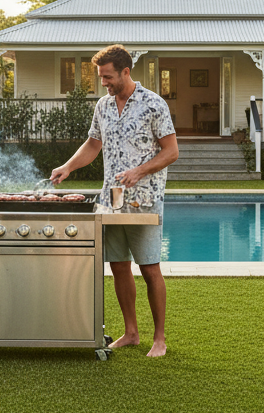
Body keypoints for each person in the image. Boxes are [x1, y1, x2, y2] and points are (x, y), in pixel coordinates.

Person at [50, 44, 178, 357]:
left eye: (108, 77)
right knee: (118, 266)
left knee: (149, 269)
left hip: (143, 200)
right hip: (110, 199)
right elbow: (93, 144)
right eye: (101, 78)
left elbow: (171, 151)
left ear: (125, 71)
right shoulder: (104, 106)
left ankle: (159, 338)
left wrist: (139, 171)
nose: (103, 83)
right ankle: (131, 332)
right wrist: (68, 166)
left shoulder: (153, 104)